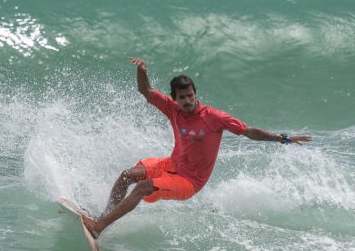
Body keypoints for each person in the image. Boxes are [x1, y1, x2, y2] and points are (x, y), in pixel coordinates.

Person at [81, 58, 312, 239]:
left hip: (190, 181)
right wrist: (142, 70)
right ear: (176, 98)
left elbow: (249, 132)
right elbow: (146, 91)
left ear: (196, 94)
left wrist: (283, 139)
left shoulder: (214, 117)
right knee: (126, 176)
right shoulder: (173, 110)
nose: (188, 101)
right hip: (172, 165)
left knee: (142, 187)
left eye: (191, 96)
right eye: (182, 98)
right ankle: (102, 218)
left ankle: (100, 227)